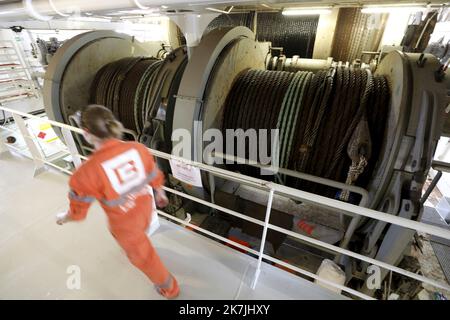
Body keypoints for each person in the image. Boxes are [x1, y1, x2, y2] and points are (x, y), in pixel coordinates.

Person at [56, 104, 179, 299]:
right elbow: (154, 174)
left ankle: (170, 288)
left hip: (125, 226)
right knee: (141, 234)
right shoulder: (137, 148)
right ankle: (138, 242)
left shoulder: (86, 173)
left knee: (144, 257)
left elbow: (78, 212)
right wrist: (161, 193)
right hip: (145, 210)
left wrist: (64, 217)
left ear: (86, 133)